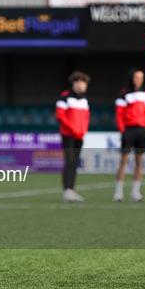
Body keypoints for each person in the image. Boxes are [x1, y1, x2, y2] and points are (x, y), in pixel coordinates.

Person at [113, 68, 145, 202]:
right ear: (131, 78)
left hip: (142, 131)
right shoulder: (123, 95)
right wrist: (123, 130)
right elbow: (119, 114)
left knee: (139, 162)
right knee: (123, 161)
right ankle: (118, 192)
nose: (139, 80)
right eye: (136, 77)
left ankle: (136, 192)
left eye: (141, 77)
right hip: (128, 130)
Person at [55, 71, 91, 202]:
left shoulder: (85, 99)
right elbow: (60, 116)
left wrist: (83, 131)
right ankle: (67, 190)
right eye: (81, 82)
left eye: (85, 83)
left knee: (75, 163)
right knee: (69, 161)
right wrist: (73, 129)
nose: (83, 85)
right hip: (68, 135)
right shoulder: (64, 97)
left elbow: (86, 117)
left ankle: (72, 189)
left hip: (79, 136)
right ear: (75, 83)